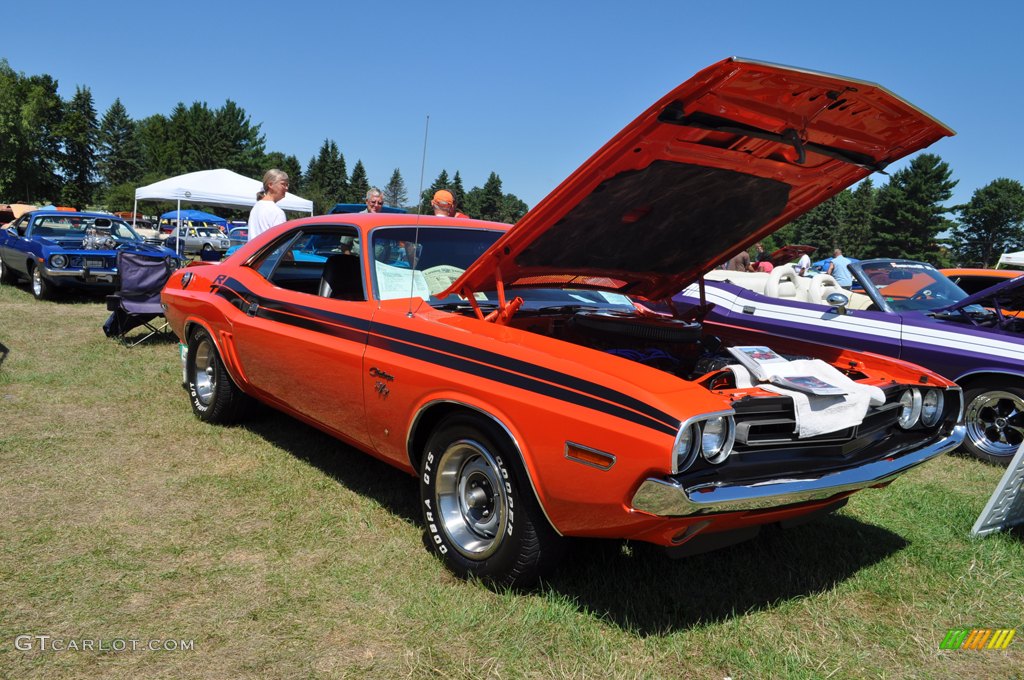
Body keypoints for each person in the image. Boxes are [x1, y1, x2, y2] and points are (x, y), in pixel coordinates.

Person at [247, 169, 289, 241]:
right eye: (283, 184)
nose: (286, 188)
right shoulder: (277, 212)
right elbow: (281, 242)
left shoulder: (256, 207)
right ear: (270, 185)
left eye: (287, 185)